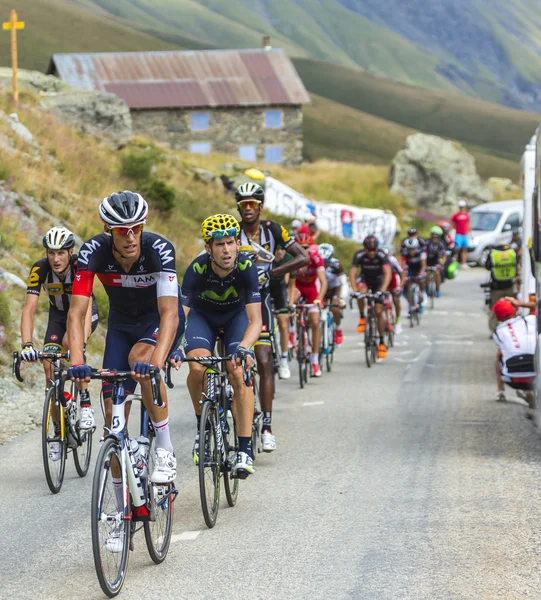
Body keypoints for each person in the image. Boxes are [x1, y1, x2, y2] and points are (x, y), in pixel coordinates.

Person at [67, 191, 183, 485]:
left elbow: (170, 313)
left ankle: (165, 449)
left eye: (137, 228)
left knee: (140, 361)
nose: (131, 237)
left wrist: (156, 364)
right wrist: (77, 361)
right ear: (109, 230)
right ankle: (120, 517)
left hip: (157, 321)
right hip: (120, 325)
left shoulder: (160, 250)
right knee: (112, 426)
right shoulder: (93, 251)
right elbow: (77, 312)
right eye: (122, 230)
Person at [180, 214, 262, 477]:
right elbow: (180, 316)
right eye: (219, 244)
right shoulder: (196, 269)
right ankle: (202, 427)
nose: (226, 249)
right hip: (203, 319)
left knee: (236, 370)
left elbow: (255, 319)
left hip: (237, 318)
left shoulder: (247, 267)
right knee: (197, 367)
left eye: (230, 242)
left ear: (238, 243)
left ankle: (244, 449)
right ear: (208, 248)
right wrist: (171, 347)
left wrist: (245, 348)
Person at [236, 182, 308, 452]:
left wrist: (274, 272)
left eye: (253, 204)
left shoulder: (273, 230)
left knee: (265, 361)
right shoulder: (232, 230)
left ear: (260, 207)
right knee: (227, 358)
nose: (248, 209)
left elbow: (302, 257)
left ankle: (266, 426)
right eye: (244, 205)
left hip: (262, 299)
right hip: (235, 300)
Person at [21, 226, 99, 460]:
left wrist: (81, 342)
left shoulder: (80, 267)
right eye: (51, 253)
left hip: (84, 313)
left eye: (61, 253)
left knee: (71, 343)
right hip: (58, 316)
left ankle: (85, 403)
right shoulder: (40, 268)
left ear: (70, 252)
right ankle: (57, 432)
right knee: (48, 364)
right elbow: (29, 309)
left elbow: (83, 311)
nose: (55, 258)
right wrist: (26, 344)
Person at [350, 235, 392, 359]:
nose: (372, 252)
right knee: (361, 292)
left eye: (374, 249)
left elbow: (388, 274)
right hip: (365, 279)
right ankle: (362, 316)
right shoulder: (359, 255)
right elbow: (353, 274)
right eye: (369, 250)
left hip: (379, 282)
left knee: (379, 311)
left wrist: (382, 290)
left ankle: (381, 341)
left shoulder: (382, 256)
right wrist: (354, 290)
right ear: (365, 249)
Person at [294, 232, 328, 374]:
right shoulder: (292, 258)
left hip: (311, 289)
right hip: (297, 287)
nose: (303, 250)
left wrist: (319, 299)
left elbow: (323, 281)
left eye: (306, 247)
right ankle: (293, 336)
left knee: (315, 321)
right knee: (291, 307)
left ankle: (314, 358)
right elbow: (287, 283)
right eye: (300, 247)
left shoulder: (316, 257)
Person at [492, 298, 535, 408]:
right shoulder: (530, 319)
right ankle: (529, 391)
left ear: (497, 317)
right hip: (535, 374)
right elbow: (537, 306)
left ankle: (500, 391)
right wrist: (521, 303)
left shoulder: (497, 332)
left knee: (499, 356)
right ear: (515, 310)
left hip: (512, 378)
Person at [269, 247, 297, 378]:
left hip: (281, 291)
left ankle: (284, 361)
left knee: (283, 323)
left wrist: (291, 304)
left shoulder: (289, 259)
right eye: (276, 250)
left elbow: (291, 285)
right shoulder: (266, 256)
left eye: (282, 250)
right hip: (266, 289)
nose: (279, 252)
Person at [318, 243, 347, 345]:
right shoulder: (315, 263)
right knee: (318, 309)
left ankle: (338, 329)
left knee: (335, 308)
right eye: (322, 262)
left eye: (326, 262)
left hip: (335, 289)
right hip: (322, 289)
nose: (324, 264)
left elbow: (343, 281)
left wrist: (341, 298)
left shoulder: (336, 265)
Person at [485, 244, 517, 332]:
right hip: (509, 285)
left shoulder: (493, 254)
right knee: (513, 308)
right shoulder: (511, 253)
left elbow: (487, 266)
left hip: (496, 287)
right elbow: (516, 266)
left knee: (494, 309)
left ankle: (494, 330)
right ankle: (514, 328)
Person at [381, 245, 403, 334]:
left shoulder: (392, 260)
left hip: (393, 280)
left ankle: (397, 320)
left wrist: (399, 286)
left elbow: (401, 273)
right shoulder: (376, 261)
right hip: (382, 280)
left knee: (395, 299)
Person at [401, 237, 427, 312]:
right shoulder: (404, 254)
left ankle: (423, 293)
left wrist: (421, 274)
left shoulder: (421, 253)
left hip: (419, 269)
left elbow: (423, 265)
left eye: (413, 249)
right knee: (408, 285)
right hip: (410, 270)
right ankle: (410, 305)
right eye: (409, 249)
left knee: (421, 281)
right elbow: (403, 266)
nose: (411, 251)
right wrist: (404, 276)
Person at [425, 226, 446, 296]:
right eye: (433, 237)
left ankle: (437, 289)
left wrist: (441, 264)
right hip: (427, 261)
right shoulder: (427, 243)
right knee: (427, 274)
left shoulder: (441, 244)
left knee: (437, 273)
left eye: (436, 237)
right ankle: (426, 287)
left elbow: (444, 256)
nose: (435, 239)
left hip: (436, 261)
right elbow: (423, 255)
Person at [451, 200, 471, 267]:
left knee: (465, 249)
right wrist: (452, 232)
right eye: (461, 207)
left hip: (465, 234)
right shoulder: (456, 215)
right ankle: (454, 263)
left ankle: (464, 263)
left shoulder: (466, 215)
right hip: (458, 234)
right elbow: (453, 225)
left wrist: (470, 234)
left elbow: (468, 225)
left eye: (463, 207)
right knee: (456, 249)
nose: (462, 208)